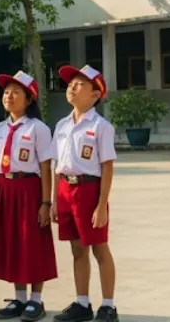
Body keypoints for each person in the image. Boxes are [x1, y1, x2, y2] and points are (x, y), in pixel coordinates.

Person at [0, 70, 58, 322]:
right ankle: (18, 297)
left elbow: (45, 166)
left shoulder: (38, 128)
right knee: (12, 242)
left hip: (28, 189)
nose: (9, 96)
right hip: (4, 189)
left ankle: (36, 299)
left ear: (29, 99)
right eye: (6, 91)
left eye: (16, 92)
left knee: (32, 243)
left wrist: (45, 202)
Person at [52, 65, 118, 322]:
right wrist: (56, 200)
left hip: (90, 190)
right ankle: (82, 303)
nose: (72, 87)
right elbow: (56, 164)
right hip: (65, 189)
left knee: (99, 249)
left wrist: (102, 205)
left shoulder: (101, 126)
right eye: (71, 83)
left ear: (95, 94)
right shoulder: (62, 124)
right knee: (77, 249)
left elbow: (107, 166)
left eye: (79, 84)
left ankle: (109, 306)